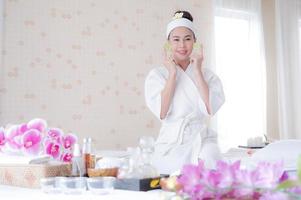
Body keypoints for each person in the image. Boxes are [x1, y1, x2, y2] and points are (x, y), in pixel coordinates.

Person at [144, 11, 225, 174]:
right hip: (171, 140)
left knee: (211, 155)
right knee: (170, 171)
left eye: (187, 39)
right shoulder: (158, 75)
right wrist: (173, 74)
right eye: (176, 40)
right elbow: (162, 112)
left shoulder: (208, 76)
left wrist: (197, 71)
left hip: (200, 138)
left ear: (195, 42)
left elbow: (210, 109)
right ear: (168, 44)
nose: (182, 45)